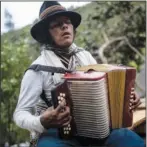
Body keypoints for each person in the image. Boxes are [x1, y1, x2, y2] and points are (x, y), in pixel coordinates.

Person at [13, 1, 144, 147]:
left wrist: (126, 99)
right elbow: (20, 114)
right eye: (56, 24)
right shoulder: (37, 70)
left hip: (97, 127)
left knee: (131, 141)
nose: (64, 26)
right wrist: (41, 121)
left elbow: (106, 89)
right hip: (58, 133)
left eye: (67, 22)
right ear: (46, 34)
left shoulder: (85, 56)